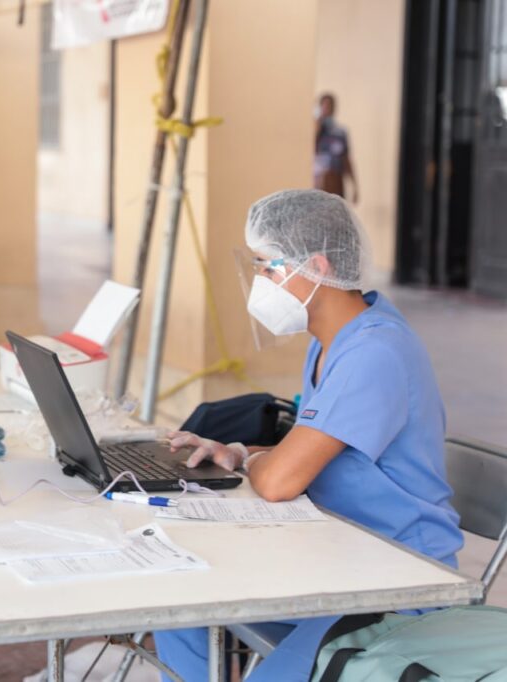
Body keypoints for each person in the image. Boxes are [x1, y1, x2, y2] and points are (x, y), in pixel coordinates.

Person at [153, 189, 463, 681]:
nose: (259, 281)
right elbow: (310, 445)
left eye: (266, 266)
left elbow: (279, 482)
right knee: (174, 606)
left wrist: (255, 462)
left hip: (395, 580)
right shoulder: (328, 343)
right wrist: (235, 451)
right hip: (333, 555)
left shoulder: (374, 352)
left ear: (315, 265)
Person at [313, 93, 358, 203]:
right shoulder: (315, 129)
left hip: (336, 179)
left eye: (331, 105)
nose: (328, 108)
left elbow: (346, 158)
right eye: (325, 105)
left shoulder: (340, 132)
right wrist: (317, 125)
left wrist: (354, 184)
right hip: (319, 179)